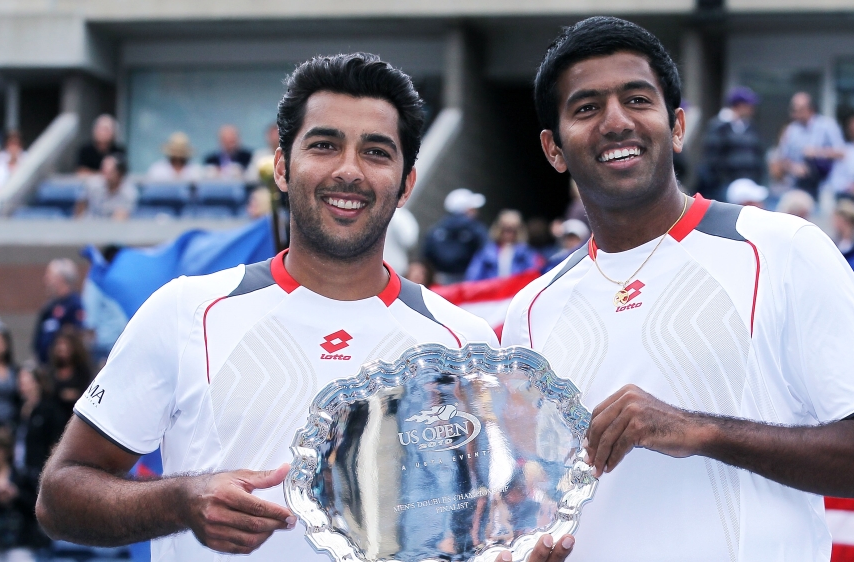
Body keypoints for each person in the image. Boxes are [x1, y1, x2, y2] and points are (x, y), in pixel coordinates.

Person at [37, 53, 573, 562]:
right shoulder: (185, 311)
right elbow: (59, 496)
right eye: (323, 145)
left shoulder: (466, 343)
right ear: (282, 167)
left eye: (376, 151)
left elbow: (482, 523)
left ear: (407, 182)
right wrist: (181, 501)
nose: (349, 171)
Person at [503, 16, 854, 560]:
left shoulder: (782, 248)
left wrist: (699, 430)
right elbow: (534, 498)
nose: (616, 121)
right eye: (587, 108)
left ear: (676, 126)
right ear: (554, 150)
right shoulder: (531, 309)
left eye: (637, 99)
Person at [698, 86, 765, 201]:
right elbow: (712, 159)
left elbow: (757, 155)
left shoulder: (751, 127)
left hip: (749, 185)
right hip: (725, 187)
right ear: (740, 106)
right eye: (749, 105)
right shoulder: (719, 126)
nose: (752, 109)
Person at [0, 428, 40, 562]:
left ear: (6, 451)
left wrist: (16, 495)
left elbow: (35, 508)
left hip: (20, 540)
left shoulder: (21, 476)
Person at [773, 92, 845, 199]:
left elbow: (841, 153)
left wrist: (818, 152)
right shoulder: (791, 130)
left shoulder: (827, 125)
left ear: (811, 109)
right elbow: (782, 159)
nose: (796, 113)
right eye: (794, 110)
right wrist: (794, 167)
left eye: (800, 109)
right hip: (799, 185)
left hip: (825, 186)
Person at [422, 188, 490, 284]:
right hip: (467, 283)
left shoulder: (436, 228)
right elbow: (487, 252)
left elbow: (426, 255)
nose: (476, 211)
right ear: (467, 210)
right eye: (472, 208)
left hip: (438, 281)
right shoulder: (476, 229)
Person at [13, 364, 66, 487]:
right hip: (19, 470)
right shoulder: (18, 408)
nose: (21, 383)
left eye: (25, 379)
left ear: (37, 382)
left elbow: (55, 442)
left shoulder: (49, 410)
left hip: (38, 470)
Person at [465, 209, 542, 281]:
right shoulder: (486, 252)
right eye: (505, 229)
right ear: (499, 229)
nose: (508, 233)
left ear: (518, 230)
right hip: (493, 291)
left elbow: (535, 275)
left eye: (512, 230)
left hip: (517, 291)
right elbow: (473, 277)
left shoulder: (526, 252)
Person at [31, 259, 83, 365]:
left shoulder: (74, 305)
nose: (46, 280)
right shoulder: (49, 307)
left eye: (49, 276)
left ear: (60, 279)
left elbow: (77, 335)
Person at [74, 154, 137, 220]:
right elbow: (80, 208)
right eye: (104, 172)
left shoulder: (129, 193)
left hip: (112, 228)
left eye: (110, 173)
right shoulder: (92, 184)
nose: (105, 177)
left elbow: (120, 219)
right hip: (88, 225)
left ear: (120, 174)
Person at [46, 328, 91, 417]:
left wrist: (75, 394)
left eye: (65, 344)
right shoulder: (50, 372)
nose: (61, 348)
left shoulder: (83, 372)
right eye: (59, 344)